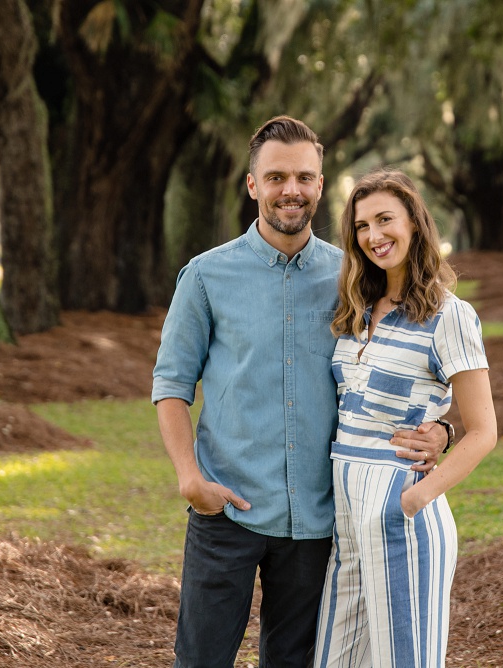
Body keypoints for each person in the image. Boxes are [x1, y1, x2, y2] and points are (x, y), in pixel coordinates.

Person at [151, 117, 449, 668]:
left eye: (305, 177)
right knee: (201, 659)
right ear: (252, 185)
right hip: (227, 509)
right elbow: (171, 384)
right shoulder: (205, 276)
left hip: (318, 518)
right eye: (277, 177)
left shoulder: (353, 277)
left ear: (319, 184)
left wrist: (443, 428)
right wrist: (190, 477)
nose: (292, 189)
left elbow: (405, 364)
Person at [314, 169, 498, 668]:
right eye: (361, 226)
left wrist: (414, 498)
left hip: (401, 513)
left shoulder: (448, 314)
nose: (374, 236)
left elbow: (485, 431)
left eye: (385, 220)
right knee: (334, 659)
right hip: (346, 518)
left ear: (415, 223)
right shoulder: (357, 309)